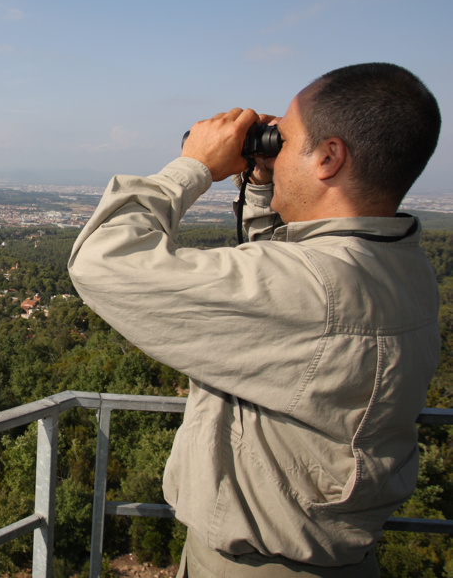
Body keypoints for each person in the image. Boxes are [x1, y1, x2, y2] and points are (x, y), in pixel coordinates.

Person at [67, 63, 442, 577]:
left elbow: (101, 262)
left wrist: (192, 165)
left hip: (257, 565)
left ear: (329, 157)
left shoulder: (316, 289)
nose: (272, 149)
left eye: (283, 140)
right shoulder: (403, 267)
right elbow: (283, 311)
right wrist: (267, 185)